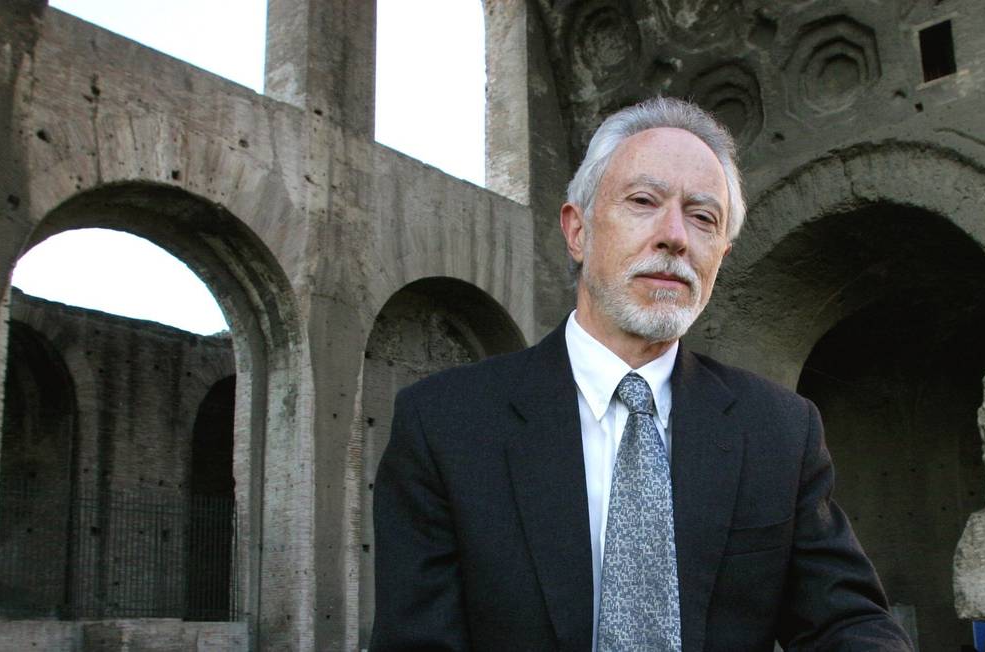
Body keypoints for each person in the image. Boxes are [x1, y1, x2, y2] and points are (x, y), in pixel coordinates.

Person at [370, 97, 912, 651]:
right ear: (577, 230)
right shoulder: (444, 425)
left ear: (719, 255)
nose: (674, 235)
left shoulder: (779, 430)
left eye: (703, 217)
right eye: (644, 201)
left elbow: (846, 621)